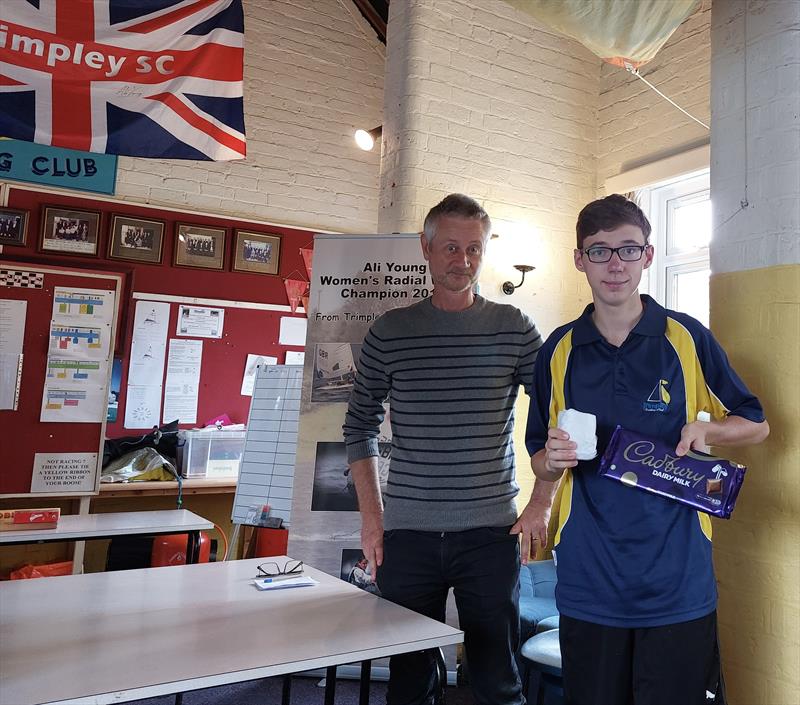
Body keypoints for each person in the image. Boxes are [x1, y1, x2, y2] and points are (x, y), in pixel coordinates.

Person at [525, 194, 769, 705]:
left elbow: (756, 424)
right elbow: (540, 460)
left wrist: (711, 433)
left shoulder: (686, 338)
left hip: (677, 580)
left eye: (628, 250)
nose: (615, 264)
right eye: (599, 251)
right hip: (589, 579)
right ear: (579, 260)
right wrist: (552, 461)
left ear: (648, 257)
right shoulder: (558, 350)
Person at [343, 193, 555, 705]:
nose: (463, 261)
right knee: (410, 681)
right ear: (427, 248)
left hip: (490, 533)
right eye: (452, 248)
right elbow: (358, 429)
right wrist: (373, 521)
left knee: (495, 682)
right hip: (408, 535)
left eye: (475, 249)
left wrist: (541, 502)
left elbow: (558, 418)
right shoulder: (391, 332)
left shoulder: (514, 327)